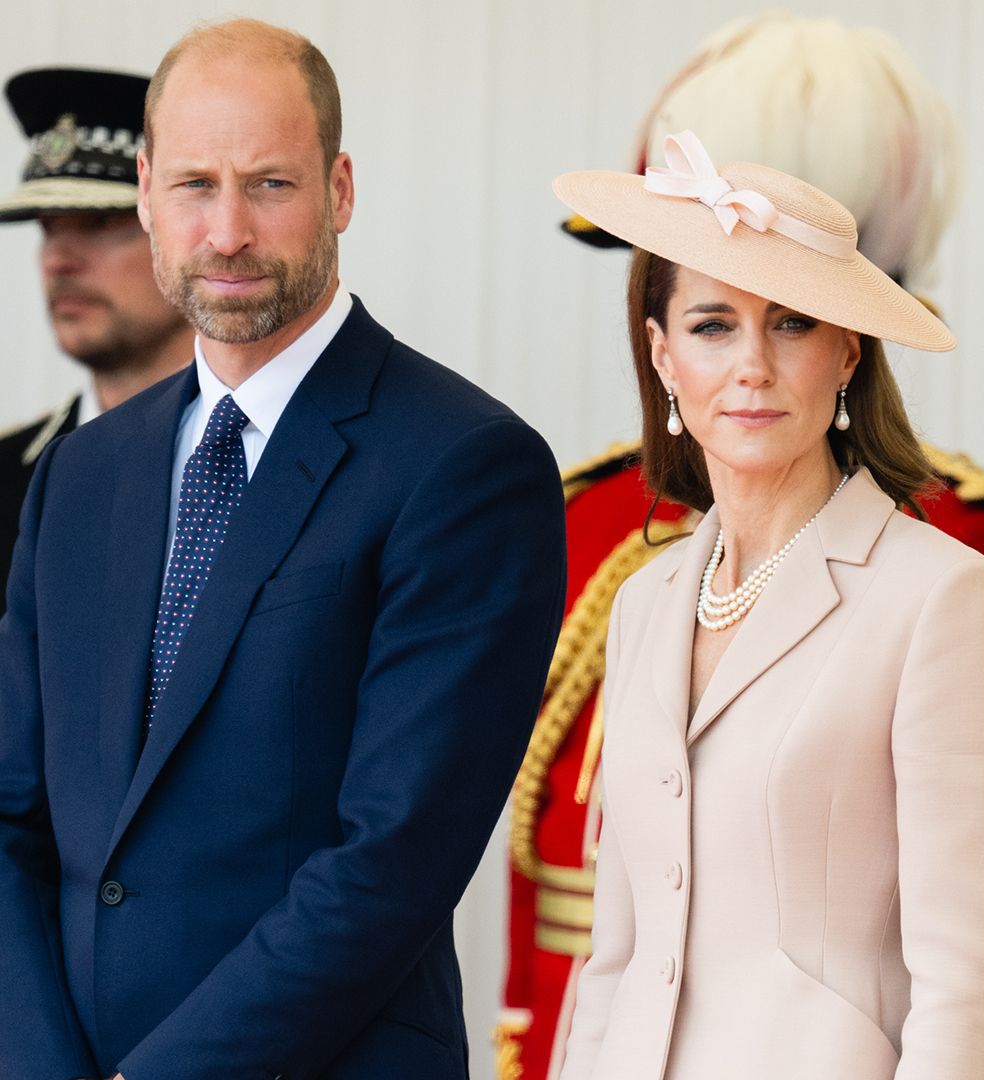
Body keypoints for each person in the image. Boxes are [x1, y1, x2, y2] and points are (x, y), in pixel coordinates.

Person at [499, 16, 984, 1079]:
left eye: (794, 323)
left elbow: (961, 989)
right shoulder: (643, 598)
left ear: (848, 351)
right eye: (714, 325)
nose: (753, 366)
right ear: (662, 355)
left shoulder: (948, 594)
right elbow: (612, 961)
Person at [0, 18, 565, 1080]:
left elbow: (393, 858)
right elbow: (9, 814)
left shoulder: (465, 464)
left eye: (268, 184)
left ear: (340, 190)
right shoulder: (80, 474)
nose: (225, 233)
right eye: (194, 186)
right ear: (144, 190)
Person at [0, 67, 193, 608]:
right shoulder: (9, 474)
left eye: (100, 222)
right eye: (47, 227)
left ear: (186, 234)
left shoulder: (281, 461)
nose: (59, 259)